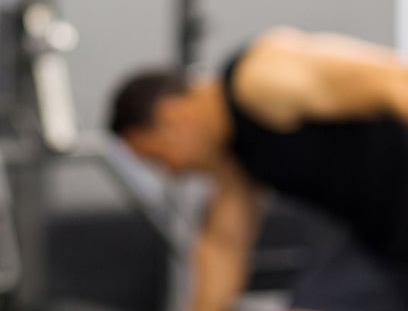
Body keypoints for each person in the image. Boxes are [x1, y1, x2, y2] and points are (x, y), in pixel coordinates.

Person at [109, 27, 408, 311]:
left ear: (173, 116)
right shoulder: (234, 160)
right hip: (381, 241)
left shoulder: (260, 78)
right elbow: (224, 248)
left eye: (160, 157)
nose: (172, 172)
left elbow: (397, 83)